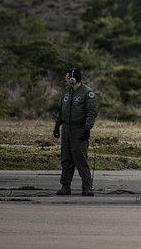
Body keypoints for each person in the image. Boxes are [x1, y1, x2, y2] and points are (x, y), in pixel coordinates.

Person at [52, 67, 99, 196]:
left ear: (73, 79)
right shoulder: (66, 92)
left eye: (67, 77)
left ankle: (87, 187)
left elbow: (92, 112)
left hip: (79, 130)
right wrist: (57, 126)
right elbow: (61, 111)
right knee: (66, 158)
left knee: (81, 159)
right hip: (66, 129)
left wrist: (87, 129)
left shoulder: (87, 93)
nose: (65, 79)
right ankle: (65, 187)